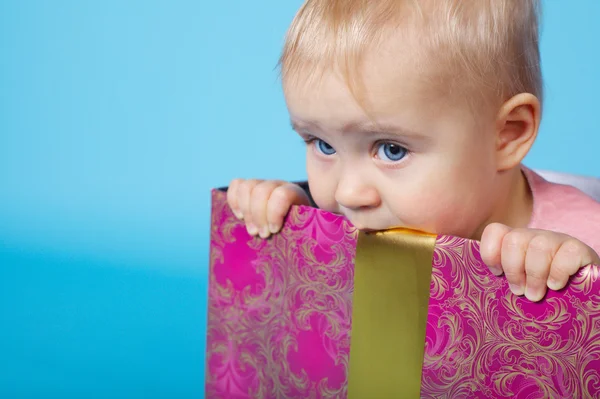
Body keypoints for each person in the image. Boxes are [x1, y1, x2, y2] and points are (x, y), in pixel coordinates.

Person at [226, 0, 600, 302]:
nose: (346, 194)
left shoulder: (587, 237)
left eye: (391, 149)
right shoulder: (365, 218)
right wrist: (291, 215)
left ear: (506, 135)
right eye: (322, 144)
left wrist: (583, 282)